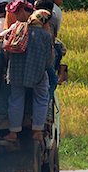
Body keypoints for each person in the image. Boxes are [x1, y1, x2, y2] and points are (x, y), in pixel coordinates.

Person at [5, 9, 53, 143]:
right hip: (38, 73)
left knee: (16, 99)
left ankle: (13, 133)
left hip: (16, 71)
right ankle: (37, 131)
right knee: (41, 98)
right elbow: (49, 60)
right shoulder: (45, 36)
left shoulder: (19, 29)